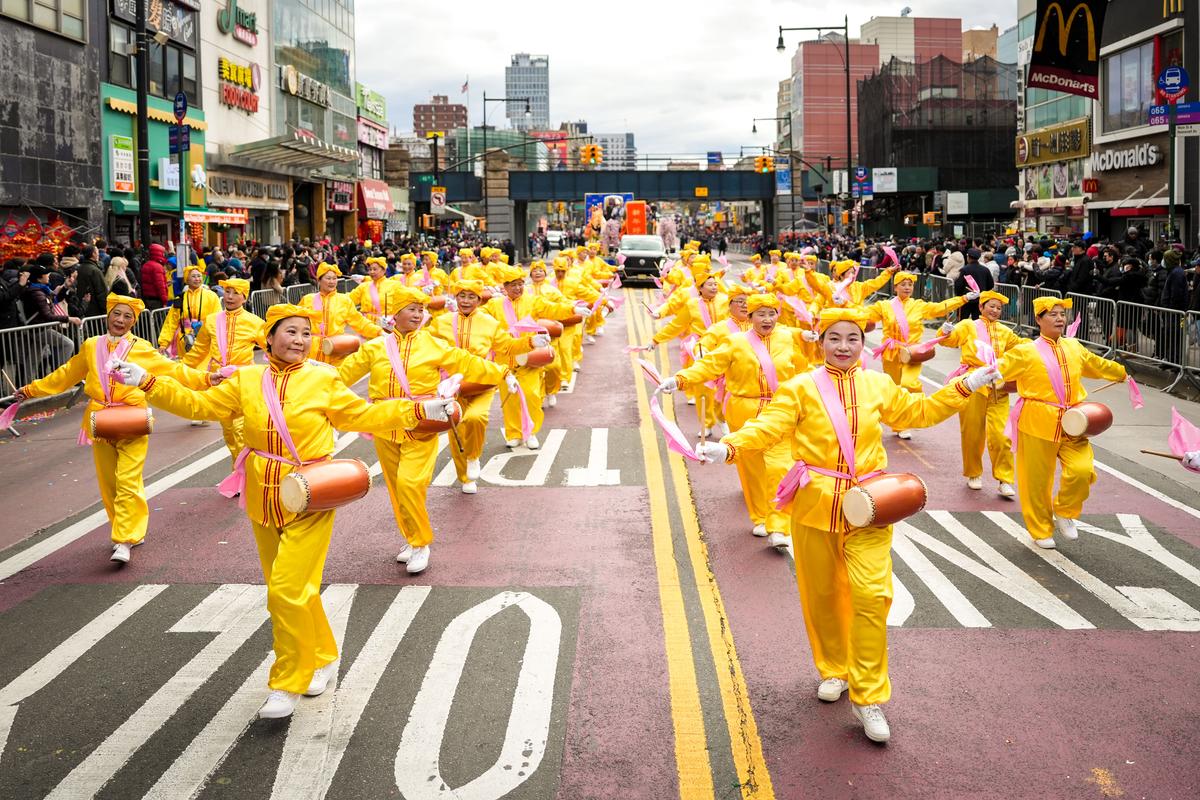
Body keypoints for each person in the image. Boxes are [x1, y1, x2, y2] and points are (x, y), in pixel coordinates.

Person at [112, 303, 451, 719]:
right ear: (269, 337)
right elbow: (200, 406)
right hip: (262, 492)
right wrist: (149, 382)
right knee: (295, 587)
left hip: (312, 493)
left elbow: (364, 414)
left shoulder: (323, 378)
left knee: (285, 590)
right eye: (291, 332)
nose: (300, 340)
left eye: (306, 334)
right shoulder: (248, 380)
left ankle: (286, 682)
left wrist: (419, 409)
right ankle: (323, 655)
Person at [695, 306, 998, 744]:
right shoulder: (799, 388)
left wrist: (963, 386)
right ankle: (834, 670)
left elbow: (920, 413)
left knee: (873, 596)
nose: (843, 346)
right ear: (820, 342)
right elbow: (767, 428)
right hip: (815, 502)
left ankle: (868, 694)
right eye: (834, 338)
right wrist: (729, 447)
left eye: (852, 338)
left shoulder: (878, 383)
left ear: (862, 343)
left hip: (870, 506)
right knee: (821, 595)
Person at [13, 295, 219, 564]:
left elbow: (173, 370)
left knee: (127, 479)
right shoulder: (90, 346)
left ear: (134, 321)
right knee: (109, 482)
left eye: (127, 317)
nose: (121, 320)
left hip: (132, 419)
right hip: (100, 420)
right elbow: (65, 375)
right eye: (117, 314)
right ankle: (126, 527)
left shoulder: (141, 348)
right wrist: (30, 390)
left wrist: (206, 378)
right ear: (108, 315)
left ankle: (125, 538)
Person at [337, 285, 511, 574]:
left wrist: (503, 373)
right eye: (412, 309)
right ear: (395, 313)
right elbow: (343, 375)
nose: (418, 314)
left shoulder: (432, 344)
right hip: (385, 424)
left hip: (421, 425)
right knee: (395, 488)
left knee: (409, 484)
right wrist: (312, 375)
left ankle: (421, 543)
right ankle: (410, 538)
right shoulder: (375, 347)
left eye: (421, 310)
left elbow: (467, 362)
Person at [657, 293, 813, 551]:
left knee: (782, 464)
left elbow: (804, 369)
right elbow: (708, 366)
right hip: (744, 408)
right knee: (751, 468)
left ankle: (779, 525)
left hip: (781, 408)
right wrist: (680, 379)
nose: (767, 318)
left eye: (771, 313)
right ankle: (761, 517)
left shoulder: (787, 337)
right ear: (749, 317)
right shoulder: (735, 342)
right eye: (760, 314)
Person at [997, 298, 1130, 549]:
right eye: (1053, 314)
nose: (1060, 319)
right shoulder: (1025, 351)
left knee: (1082, 470)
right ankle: (1040, 529)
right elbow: (999, 370)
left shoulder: (1074, 346)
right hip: (1037, 422)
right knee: (1036, 481)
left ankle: (1066, 510)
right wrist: (977, 379)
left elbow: (1095, 364)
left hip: (1074, 422)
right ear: (1038, 319)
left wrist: (1119, 372)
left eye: (1062, 314)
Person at [430, 278, 539, 490]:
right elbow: (425, 345)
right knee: (457, 430)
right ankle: (466, 478)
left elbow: (507, 346)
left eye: (471, 296)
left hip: (482, 382)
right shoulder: (440, 322)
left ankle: (473, 457)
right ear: (455, 297)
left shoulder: (489, 323)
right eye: (462, 296)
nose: (466, 300)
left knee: (476, 418)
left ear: (479, 300)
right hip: (451, 386)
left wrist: (531, 342)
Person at [938, 291, 1026, 497]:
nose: (995, 310)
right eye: (991, 306)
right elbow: (948, 341)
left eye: (999, 307)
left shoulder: (1005, 331)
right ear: (981, 307)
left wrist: (1045, 345)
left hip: (998, 386)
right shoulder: (969, 326)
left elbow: (1024, 348)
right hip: (973, 383)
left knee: (1001, 435)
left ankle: (1004, 478)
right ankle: (973, 473)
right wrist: (945, 331)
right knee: (972, 432)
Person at [867, 271, 975, 439]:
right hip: (891, 352)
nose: (907, 287)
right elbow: (866, 316)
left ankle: (911, 417)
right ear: (895, 287)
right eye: (903, 284)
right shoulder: (884, 306)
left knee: (908, 383)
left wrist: (964, 299)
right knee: (893, 389)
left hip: (913, 353)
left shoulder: (918, 305)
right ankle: (898, 425)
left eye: (910, 284)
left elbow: (940, 308)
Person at [482, 264, 576, 448]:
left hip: (529, 356)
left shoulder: (532, 301)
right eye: (513, 284)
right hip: (505, 359)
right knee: (509, 399)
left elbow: (553, 309)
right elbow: (480, 318)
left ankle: (530, 432)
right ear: (505, 286)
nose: (518, 288)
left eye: (520, 284)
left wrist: (573, 309)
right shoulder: (494, 304)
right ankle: (514, 433)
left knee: (532, 396)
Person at [182, 278, 266, 462]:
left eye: (236, 293)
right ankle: (239, 473)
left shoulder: (255, 322)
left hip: (244, 381)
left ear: (244, 298)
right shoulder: (211, 321)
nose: (230, 296)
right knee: (228, 431)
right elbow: (198, 351)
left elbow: (272, 348)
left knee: (240, 428)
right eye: (227, 291)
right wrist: (177, 370)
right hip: (219, 381)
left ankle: (247, 475)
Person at [300, 262, 383, 364]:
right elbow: (296, 322)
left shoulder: (344, 300)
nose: (332, 282)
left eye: (334, 278)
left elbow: (360, 322)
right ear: (319, 280)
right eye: (328, 278)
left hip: (335, 350)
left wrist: (379, 332)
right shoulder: (308, 299)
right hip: (310, 353)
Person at [159, 266, 221, 357]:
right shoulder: (180, 298)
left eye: (199, 276)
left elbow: (217, 318)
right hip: (184, 340)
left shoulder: (212, 296)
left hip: (205, 338)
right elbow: (171, 322)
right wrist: (163, 343)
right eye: (193, 276)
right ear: (187, 280)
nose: (197, 279)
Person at [953, 248, 995, 320]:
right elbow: (991, 284)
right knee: (978, 322)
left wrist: (959, 295)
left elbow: (959, 285)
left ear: (968, 257)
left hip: (966, 300)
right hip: (980, 300)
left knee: (963, 322)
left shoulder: (965, 270)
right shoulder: (985, 270)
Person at [75, 245, 110, 317]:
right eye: (97, 252)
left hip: (83, 308)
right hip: (96, 311)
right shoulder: (95, 271)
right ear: (93, 254)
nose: (98, 254)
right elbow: (102, 292)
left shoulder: (79, 268)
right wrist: (105, 311)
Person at [140, 243, 170, 310]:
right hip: (156, 300)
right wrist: (165, 300)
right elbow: (160, 286)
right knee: (159, 319)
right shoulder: (158, 267)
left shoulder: (145, 265)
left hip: (147, 299)